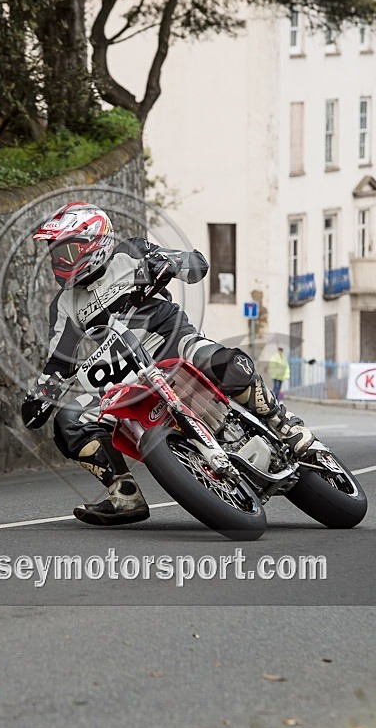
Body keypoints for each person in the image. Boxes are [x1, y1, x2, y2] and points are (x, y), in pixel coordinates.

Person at [21, 202, 313, 526]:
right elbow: (60, 360)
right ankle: (124, 494)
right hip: (123, 379)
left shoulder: (131, 253)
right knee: (69, 421)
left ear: (96, 241)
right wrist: (43, 392)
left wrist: (169, 263)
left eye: (68, 251)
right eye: (55, 253)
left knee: (226, 363)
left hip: (174, 346)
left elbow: (197, 265)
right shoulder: (64, 304)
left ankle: (282, 423)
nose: (60, 260)